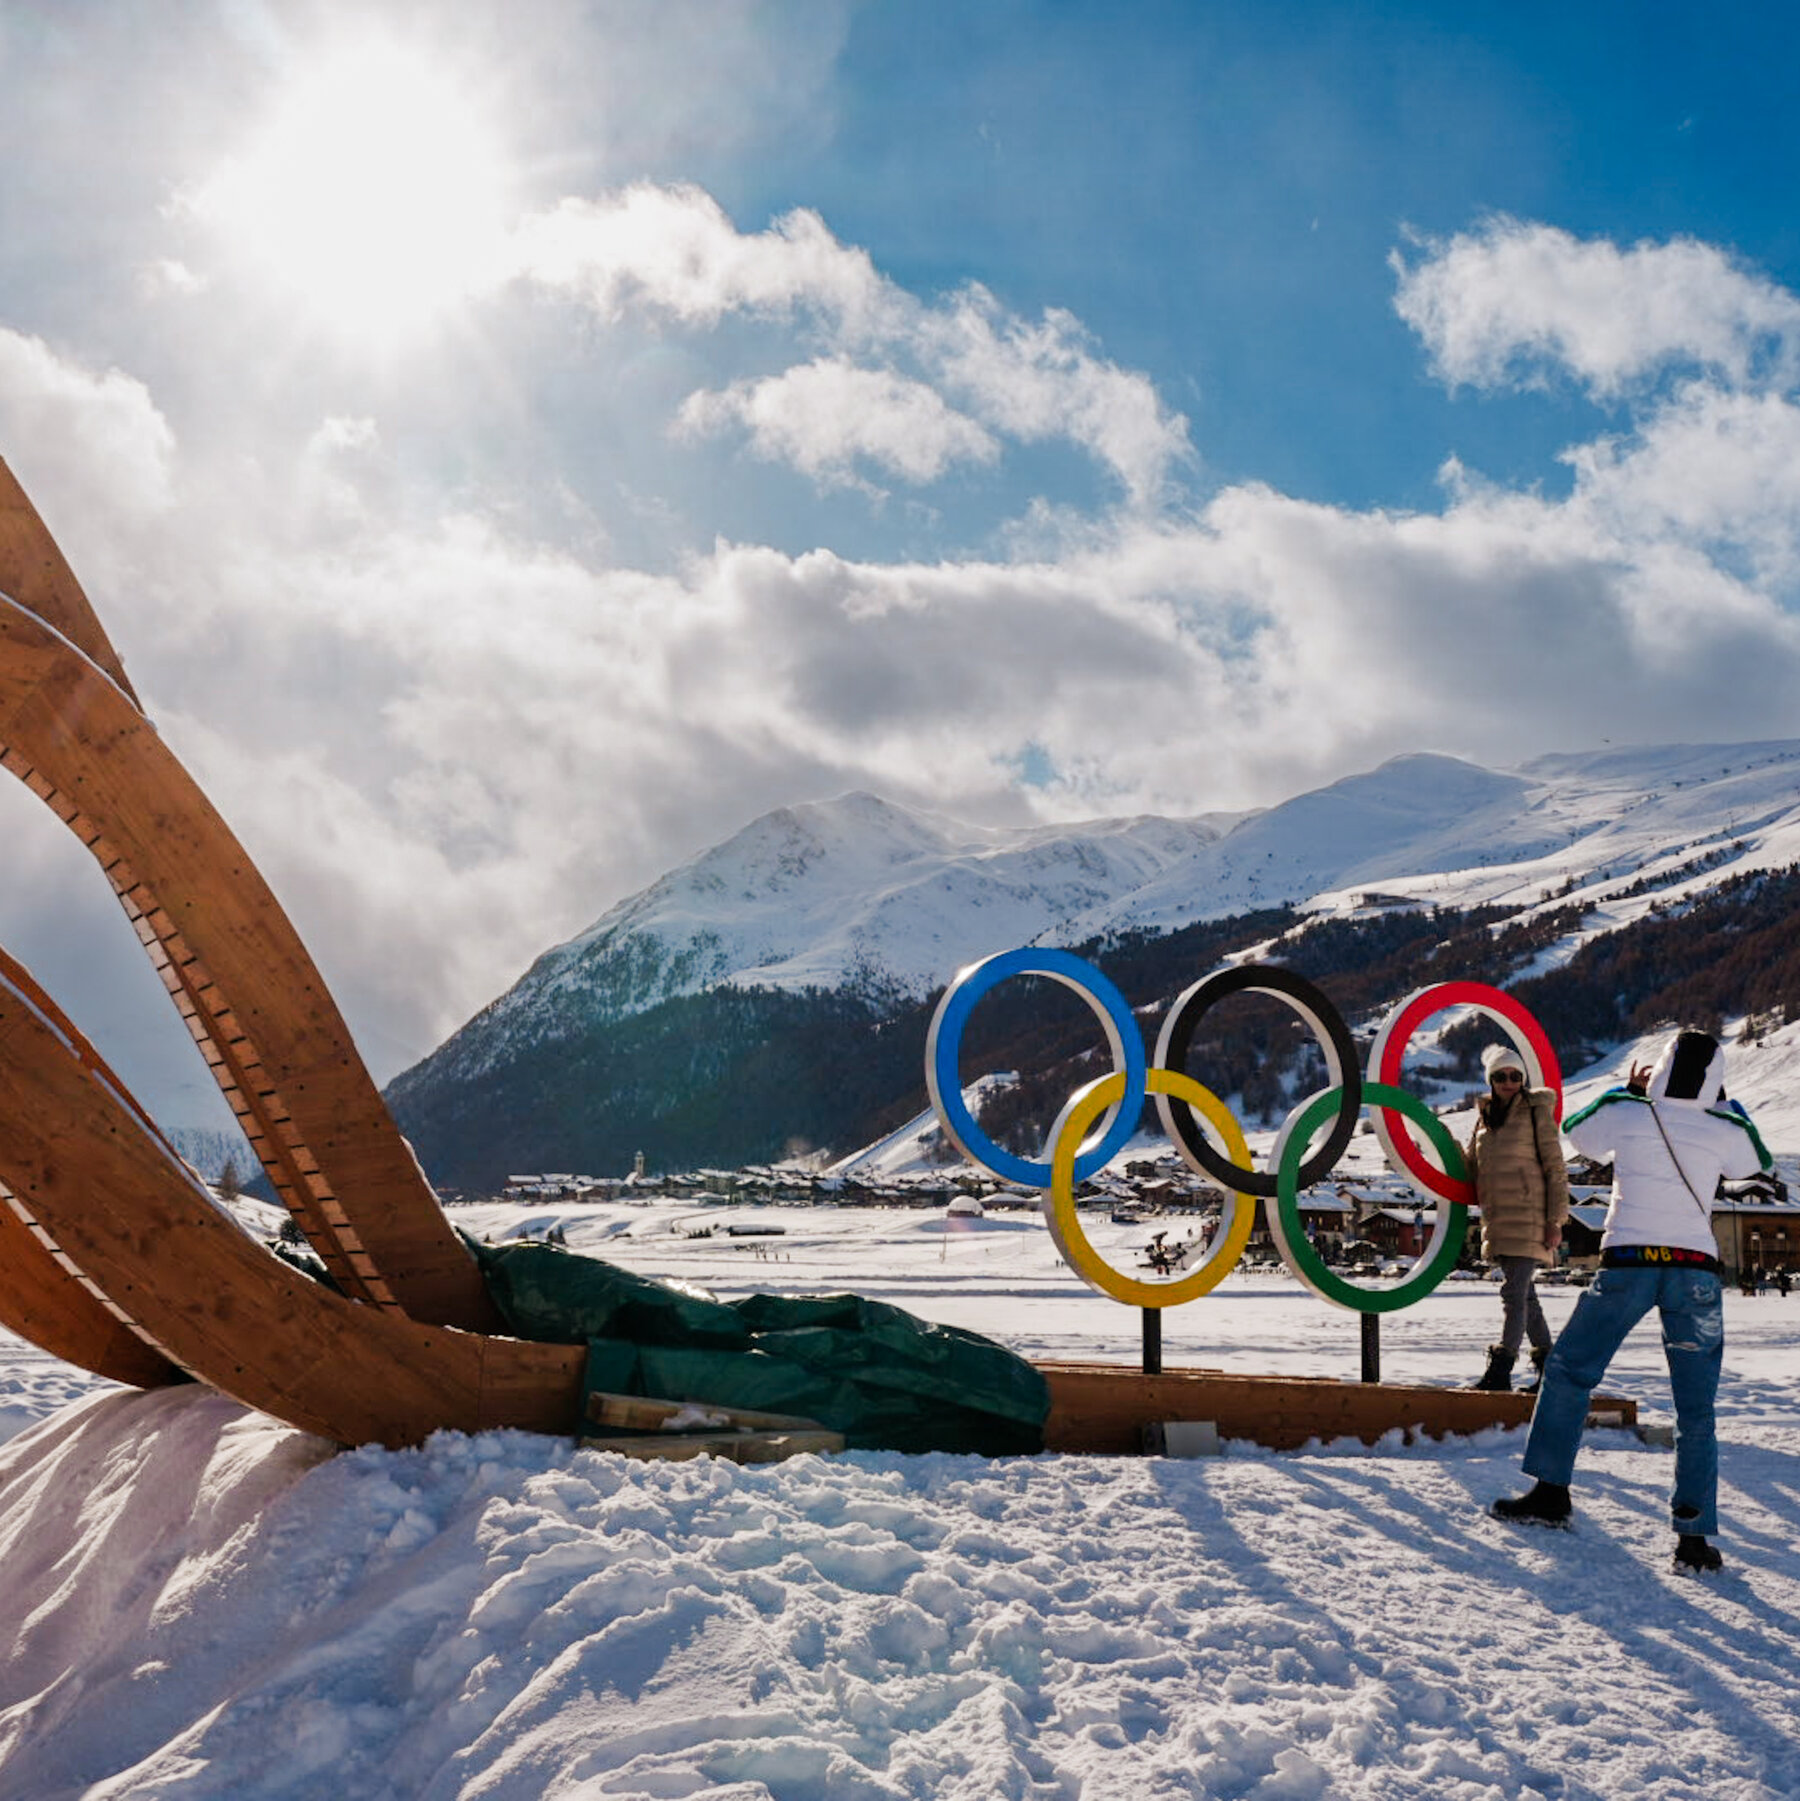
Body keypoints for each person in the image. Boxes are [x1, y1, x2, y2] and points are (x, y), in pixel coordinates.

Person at [1490, 1029, 1773, 1574]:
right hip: (1694, 1272)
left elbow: (1576, 1133)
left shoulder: (1628, 1111)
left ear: (1661, 1068)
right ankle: (1692, 1538)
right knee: (1695, 1407)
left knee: (1570, 1370)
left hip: (1628, 1264)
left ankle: (1551, 1492)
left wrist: (1629, 1090)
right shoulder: (1724, 1126)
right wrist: (1722, 1104)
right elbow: (1753, 1162)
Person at [1463, 1043, 1569, 1391]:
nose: (1509, 1082)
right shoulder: (1484, 1119)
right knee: (1526, 1298)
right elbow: (1471, 1169)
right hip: (1499, 1219)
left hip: (1530, 1217)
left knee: (1513, 1293)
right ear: (1490, 1080)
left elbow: (1555, 1168)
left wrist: (1555, 1220)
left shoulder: (1536, 1110)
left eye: (1515, 1076)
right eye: (1501, 1076)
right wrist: (1438, 1142)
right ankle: (1551, 1373)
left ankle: (1501, 1369)